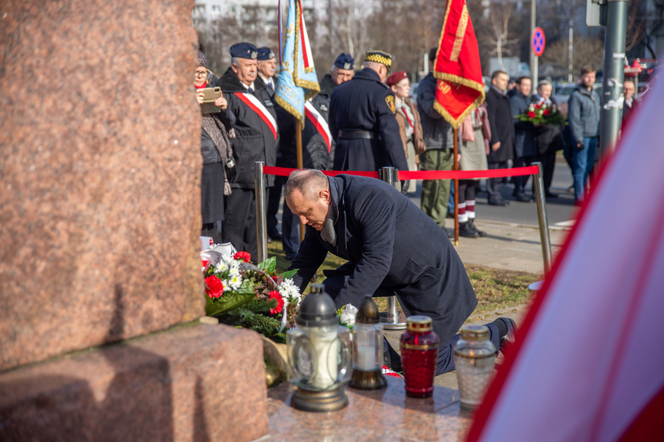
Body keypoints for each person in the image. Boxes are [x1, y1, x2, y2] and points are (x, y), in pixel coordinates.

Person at [284, 169, 516, 375]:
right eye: (298, 215)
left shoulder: (368, 196)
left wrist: (337, 313)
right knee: (326, 294)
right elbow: (305, 262)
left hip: (428, 272)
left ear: (324, 196)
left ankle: (497, 332)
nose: (303, 220)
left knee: (423, 364)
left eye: (306, 212)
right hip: (391, 270)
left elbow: (375, 263)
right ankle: (385, 359)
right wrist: (280, 302)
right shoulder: (318, 213)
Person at [215, 42, 279, 261]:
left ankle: (257, 276)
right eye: (247, 65)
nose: (253, 69)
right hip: (240, 175)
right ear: (235, 68)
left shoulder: (262, 91)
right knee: (235, 230)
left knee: (256, 231)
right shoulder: (227, 92)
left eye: (254, 64)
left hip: (264, 173)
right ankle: (232, 277)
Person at [328, 50, 409, 177]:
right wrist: (403, 170)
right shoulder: (382, 93)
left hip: (342, 156)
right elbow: (390, 134)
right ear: (382, 69)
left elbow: (333, 126)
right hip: (370, 159)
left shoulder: (338, 90)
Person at [275, 91, 334, 260]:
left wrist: (330, 160)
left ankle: (324, 243)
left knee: (319, 207)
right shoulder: (290, 101)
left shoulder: (323, 100)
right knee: (296, 206)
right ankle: (292, 247)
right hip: (297, 162)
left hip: (321, 162)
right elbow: (284, 134)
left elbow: (330, 134)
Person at [417, 47, 460, 230]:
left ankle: (439, 225)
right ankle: (427, 227)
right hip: (431, 143)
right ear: (433, 63)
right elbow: (433, 111)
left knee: (443, 189)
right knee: (432, 189)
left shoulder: (450, 84)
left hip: (447, 142)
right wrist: (449, 98)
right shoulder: (426, 85)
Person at [195, 52, 234, 244]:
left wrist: (224, 108)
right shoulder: (179, 94)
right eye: (196, 71)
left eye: (203, 72)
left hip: (215, 162)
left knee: (212, 218)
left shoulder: (213, 90)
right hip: (196, 164)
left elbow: (230, 124)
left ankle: (211, 259)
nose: (200, 75)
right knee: (197, 217)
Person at [568, 65, 601, 205]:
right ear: (582, 77)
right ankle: (579, 196)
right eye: (587, 76)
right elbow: (574, 119)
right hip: (583, 137)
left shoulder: (595, 93)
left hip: (593, 136)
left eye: (592, 77)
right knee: (580, 167)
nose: (590, 79)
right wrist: (578, 138)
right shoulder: (576, 95)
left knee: (588, 167)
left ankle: (586, 194)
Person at [458, 104, 491, 238]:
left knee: (473, 182)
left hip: (477, 137)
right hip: (464, 141)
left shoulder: (480, 104)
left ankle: (470, 220)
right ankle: (462, 221)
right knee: (463, 182)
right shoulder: (461, 103)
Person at [386, 70, 425, 182]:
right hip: (398, 149)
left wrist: (416, 159)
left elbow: (414, 134)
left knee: (409, 186)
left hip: (410, 148)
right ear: (394, 88)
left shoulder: (409, 106)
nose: (408, 88)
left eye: (408, 85)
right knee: (398, 187)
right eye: (404, 85)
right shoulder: (390, 109)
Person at [485, 70, 514, 206]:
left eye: (506, 80)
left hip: (505, 139)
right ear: (494, 81)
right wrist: (494, 139)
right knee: (494, 168)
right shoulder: (490, 96)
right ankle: (493, 194)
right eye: (502, 80)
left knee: (501, 168)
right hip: (497, 140)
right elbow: (490, 119)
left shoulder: (504, 96)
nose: (505, 83)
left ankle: (498, 193)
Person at [533, 80, 565, 198]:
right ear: (539, 90)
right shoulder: (534, 102)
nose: (548, 93)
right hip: (542, 139)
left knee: (550, 167)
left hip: (553, 140)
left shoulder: (552, 101)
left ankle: (546, 188)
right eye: (546, 90)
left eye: (550, 91)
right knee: (541, 166)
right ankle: (537, 191)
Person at [510, 76, 536, 202]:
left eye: (529, 85)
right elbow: (514, 121)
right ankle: (519, 190)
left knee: (530, 165)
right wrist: (531, 123)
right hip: (519, 138)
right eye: (525, 85)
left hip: (528, 138)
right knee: (519, 165)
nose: (527, 88)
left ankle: (520, 188)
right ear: (518, 86)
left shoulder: (529, 100)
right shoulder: (515, 100)